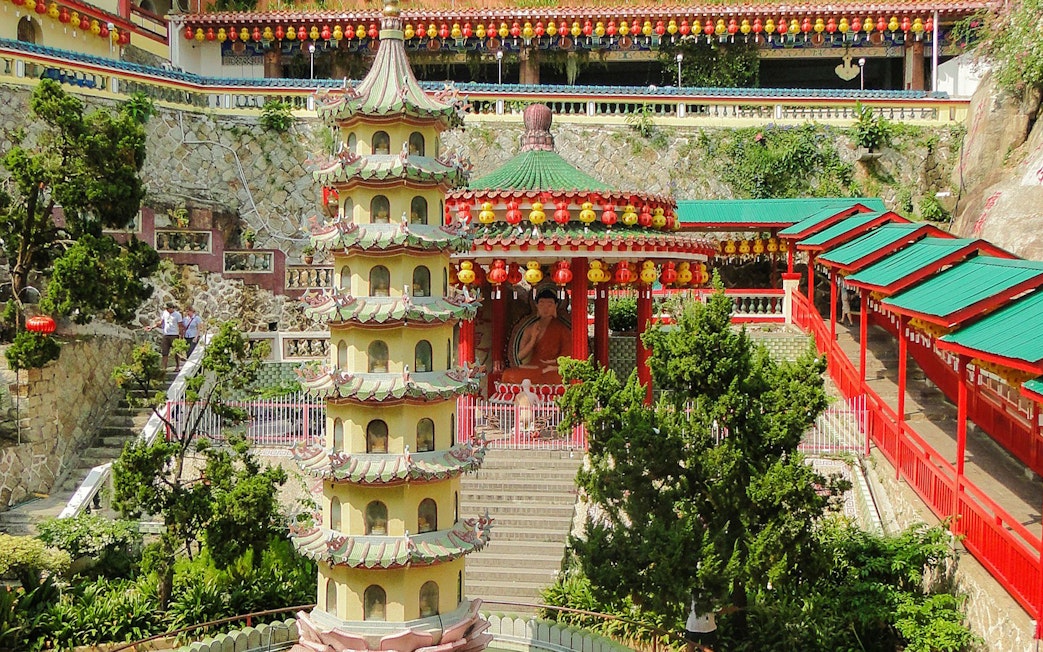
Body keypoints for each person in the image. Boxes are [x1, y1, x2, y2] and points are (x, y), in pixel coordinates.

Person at [502, 288, 573, 385]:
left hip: (553, 368)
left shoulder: (562, 329)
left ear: (556, 306)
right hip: (534, 366)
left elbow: (568, 356)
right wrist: (533, 339)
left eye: (549, 305)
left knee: (563, 376)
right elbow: (520, 356)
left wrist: (553, 363)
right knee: (508, 374)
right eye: (542, 304)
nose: (545, 309)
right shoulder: (530, 329)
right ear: (536, 306)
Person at [146, 302, 183, 371]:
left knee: (176, 352)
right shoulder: (164, 313)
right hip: (166, 334)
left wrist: (181, 336)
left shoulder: (177, 315)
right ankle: (164, 368)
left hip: (174, 335)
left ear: (171, 308)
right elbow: (161, 322)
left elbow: (180, 326)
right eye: (166, 308)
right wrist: (152, 327)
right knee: (164, 352)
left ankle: (177, 366)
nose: (166, 310)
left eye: (167, 308)